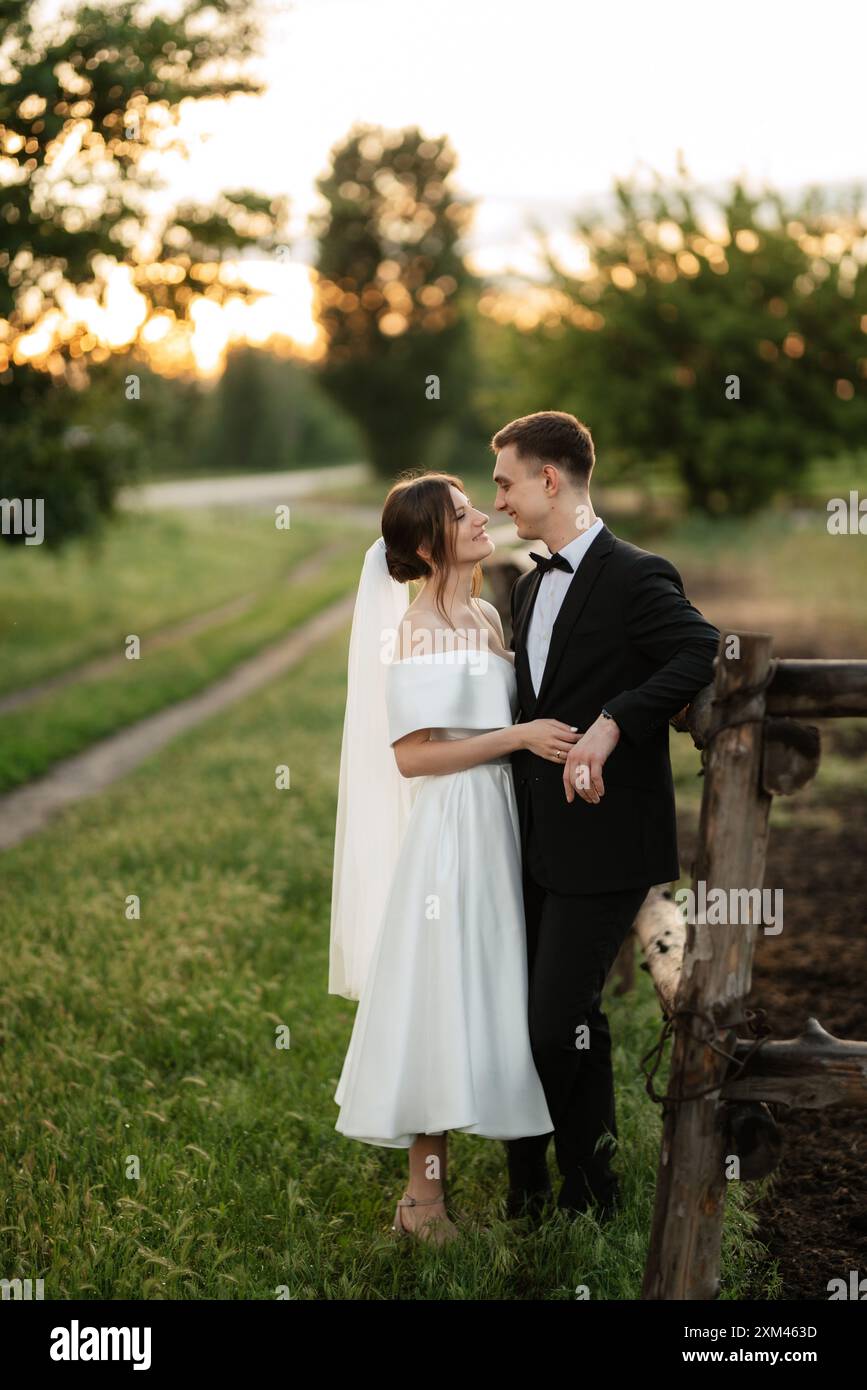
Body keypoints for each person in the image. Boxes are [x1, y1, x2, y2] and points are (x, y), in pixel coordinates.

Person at [329, 471, 577, 1243]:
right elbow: (411, 757)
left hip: (499, 823)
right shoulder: (415, 630)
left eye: (476, 506)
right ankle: (422, 1203)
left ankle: (514, 1183)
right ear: (431, 543)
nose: (481, 518)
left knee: (487, 993)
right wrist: (517, 739)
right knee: (439, 997)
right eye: (462, 514)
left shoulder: (482, 618)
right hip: (452, 831)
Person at [490, 409, 721, 1221]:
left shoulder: (635, 573)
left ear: (548, 480)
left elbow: (701, 650)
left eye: (505, 482)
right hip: (529, 840)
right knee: (546, 1017)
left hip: (610, 840)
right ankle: (563, 1191)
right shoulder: (522, 585)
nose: (499, 501)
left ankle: (587, 1184)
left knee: (555, 1022)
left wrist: (617, 718)